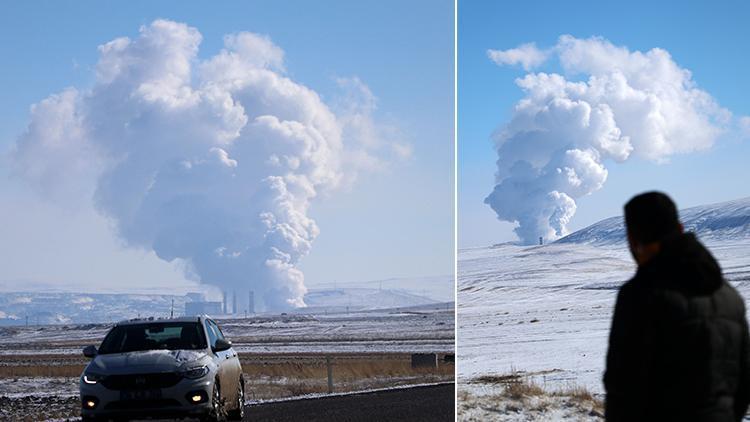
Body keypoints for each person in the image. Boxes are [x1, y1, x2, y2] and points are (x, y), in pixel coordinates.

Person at [604, 191, 750, 421]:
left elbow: (624, 388)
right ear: (681, 229)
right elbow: (742, 382)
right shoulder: (729, 296)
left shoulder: (641, 295)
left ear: (633, 240)